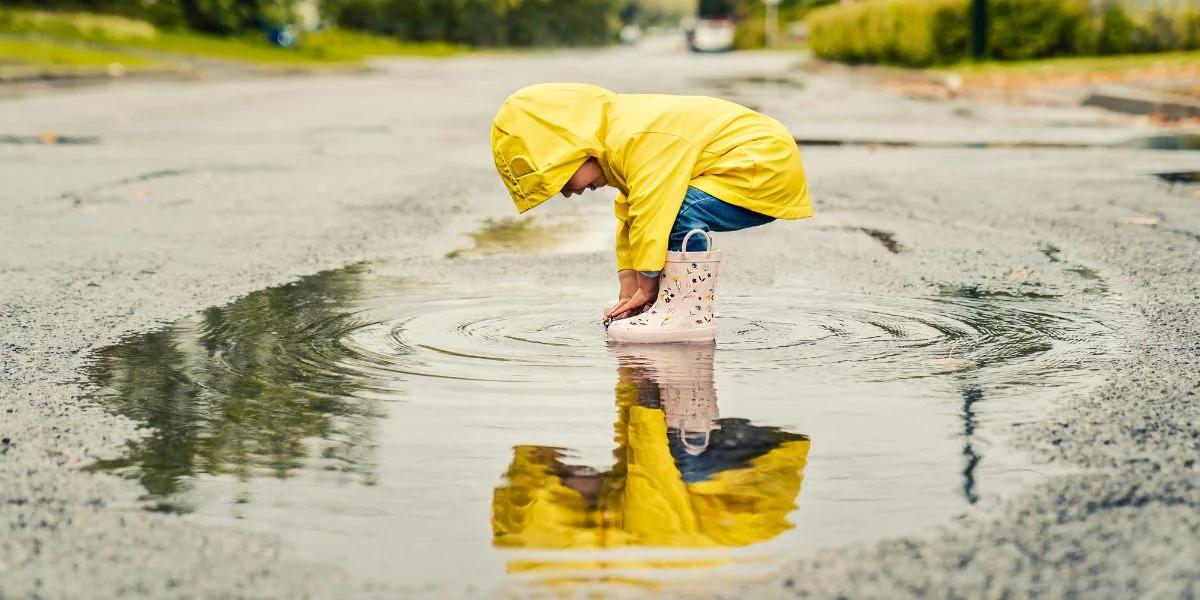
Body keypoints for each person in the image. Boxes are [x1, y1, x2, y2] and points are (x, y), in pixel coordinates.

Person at [491, 83, 811, 343]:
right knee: (654, 211)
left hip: (762, 165)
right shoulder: (614, 142)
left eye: (558, 178)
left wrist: (648, 287)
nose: (564, 192)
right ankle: (668, 305)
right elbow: (630, 214)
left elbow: (653, 210)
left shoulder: (633, 136)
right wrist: (629, 288)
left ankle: (685, 312)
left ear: (571, 147)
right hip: (746, 163)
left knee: (673, 211)